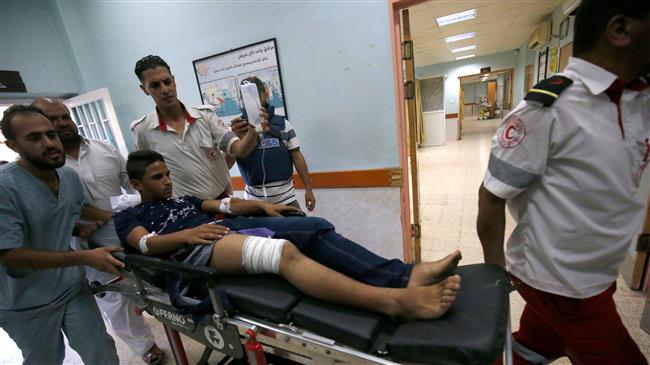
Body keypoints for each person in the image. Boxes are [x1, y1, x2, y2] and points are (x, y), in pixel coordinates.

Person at [476, 1, 650, 364]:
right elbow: (491, 196)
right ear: (620, 30)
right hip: (562, 283)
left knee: (536, 345)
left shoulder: (637, 99)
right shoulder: (551, 108)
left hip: (594, 273)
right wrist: (494, 281)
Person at [114, 150, 463, 320]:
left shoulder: (184, 200)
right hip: (195, 253)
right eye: (158, 177)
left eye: (166, 174)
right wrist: (188, 234)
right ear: (137, 183)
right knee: (280, 252)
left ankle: (404, 275)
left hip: (222, 230)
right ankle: (392, 301)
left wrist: (264, 207)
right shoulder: (131, 215)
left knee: (314, 227)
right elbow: (145, 244)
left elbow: (227, 206)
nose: (167, 181)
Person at [31, 98, 165, 365]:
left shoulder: (104, 148)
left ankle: (175, 323)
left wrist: (146, 206)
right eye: (52, 120)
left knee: (155, 281)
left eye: (64, 117)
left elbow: (130, 181)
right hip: (88, 247)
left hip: (129, 231)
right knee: (115, 298)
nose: (61, 124)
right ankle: (146, 346)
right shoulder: (45, 167)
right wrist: (81, 225)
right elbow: (51, 211)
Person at [0, 105, 122, 364]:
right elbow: (11, 255)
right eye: (34, 138)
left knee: (101, 350)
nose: (48, 143)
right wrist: (85, 257)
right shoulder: (4, 187)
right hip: (24, 301)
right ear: (12, 145)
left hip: (70, 287)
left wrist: (81, 227)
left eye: (51, 134)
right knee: (45, 359)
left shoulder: (68, 175)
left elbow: (62, 213)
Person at [131, 55, 265, 200]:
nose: (164, 89)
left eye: (167, 81)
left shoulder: (205, 116)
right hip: (184, 213)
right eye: (155, 85)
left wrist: (254, 128)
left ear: (174, 81)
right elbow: (145, 179)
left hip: (222, 203)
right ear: (144, 89)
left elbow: (239, 150)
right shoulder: (142, 130)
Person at [231, 76, 316, 210]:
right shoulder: (237, 128)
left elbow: (297, 156)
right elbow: (226, 165)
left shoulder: (284, 125)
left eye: (254, 96)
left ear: (266, 94)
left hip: (286, 200)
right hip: (253, 203)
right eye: (246, 98)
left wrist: (309, 189)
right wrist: (237, 139)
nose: (251, 102)